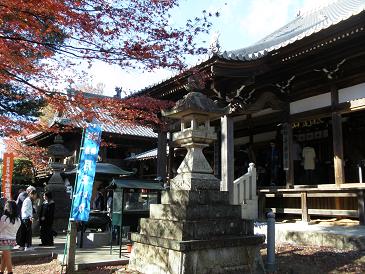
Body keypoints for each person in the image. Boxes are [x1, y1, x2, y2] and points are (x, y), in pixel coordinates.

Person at [0, 200, 21, 274]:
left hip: (3, 240)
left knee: (7, 258)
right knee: (4, 257)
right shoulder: (18, 219)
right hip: (12, 240)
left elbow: (0, 229)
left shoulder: (4, 218)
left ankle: (10, 272)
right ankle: (1, 271)